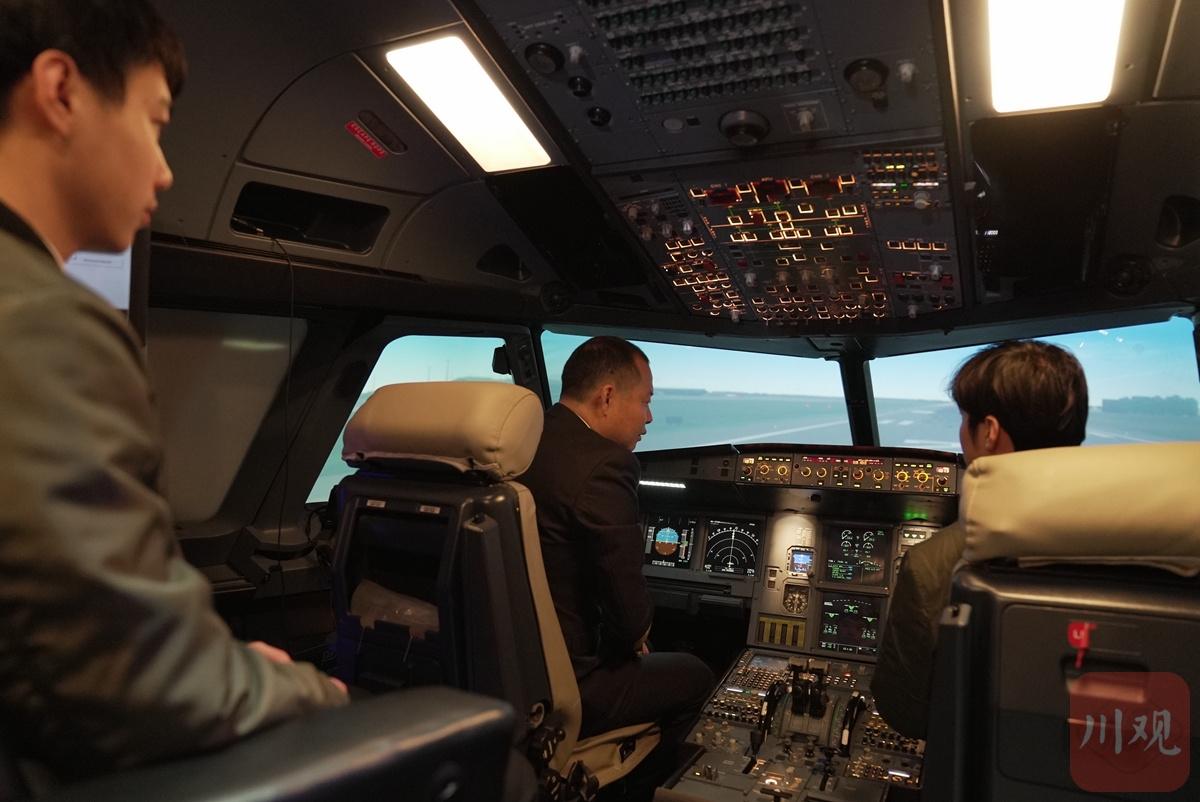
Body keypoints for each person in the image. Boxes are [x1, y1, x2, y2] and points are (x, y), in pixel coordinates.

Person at [0, 0, 347, 782]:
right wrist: (306, 690)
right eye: (155, 123)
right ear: (60, 91)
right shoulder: (44, 321)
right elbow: (127, 683)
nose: (163, 170)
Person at [870, 340, 1088, 739]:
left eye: (964, 417)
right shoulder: (1154, 536)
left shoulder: (937, 563)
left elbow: (905, 713)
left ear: (989, 432)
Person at [520, 337, 714, 754]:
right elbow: (630, 623)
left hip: (508, 670)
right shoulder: (605, 465)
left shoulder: (522, 442)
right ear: (607, 397)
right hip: (571, 686)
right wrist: (635, 635)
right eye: (645, 401)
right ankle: (649, 782)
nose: (649, 417)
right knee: (696, 675)